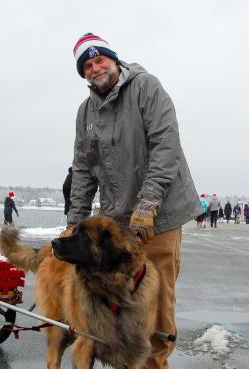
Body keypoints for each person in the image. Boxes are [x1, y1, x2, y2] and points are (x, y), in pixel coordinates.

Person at [67, 33, 202, 369]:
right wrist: (75, 221)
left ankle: (155, 365)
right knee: (118, 303)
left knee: (155, 302)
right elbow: (83, 169)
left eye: (100, 60)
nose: (96, 68)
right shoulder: (86, 112)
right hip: (118, 223)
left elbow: (165, 145)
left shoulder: (146, 88)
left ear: (114, 59)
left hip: (160, 216)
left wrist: (148, 202)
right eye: (87, 64)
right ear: (83, 73)